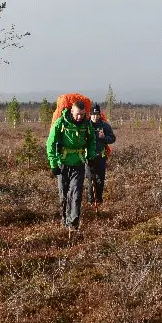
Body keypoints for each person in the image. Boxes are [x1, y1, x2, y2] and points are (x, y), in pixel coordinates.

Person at [46, 99, 96, 234]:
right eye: (77, 114)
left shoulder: (87, 124)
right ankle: (64, 219)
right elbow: (50, 143)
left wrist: (91, 156)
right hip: (62, 164)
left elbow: (92, 141)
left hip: (79, 163)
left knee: (76, 193)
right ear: (71, 111)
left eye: (82, 114)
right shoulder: (61, 123)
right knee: (63, 195)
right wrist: (53, 164)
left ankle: (73, 223)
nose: (80, 117)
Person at [86, 103, 116, 212]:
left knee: (100, 181)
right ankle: (91, 201)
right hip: (88, 158)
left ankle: (99, 200)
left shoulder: (105, 126)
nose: (95, 116)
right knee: (91, 180)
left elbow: (112, 139)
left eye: (97, 114)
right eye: (93, 114)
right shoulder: (86, 125)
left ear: (99, 114)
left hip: (101, 157)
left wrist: (104, 138)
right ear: (90, 114)